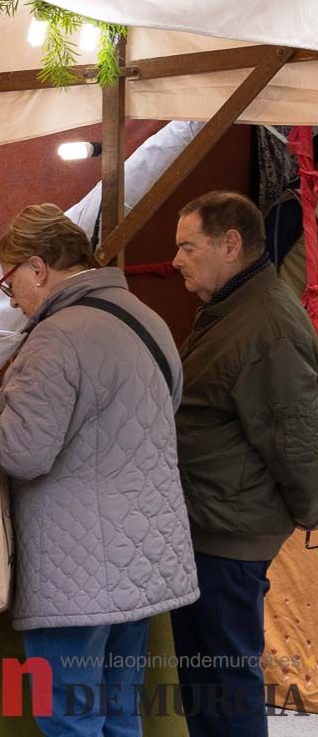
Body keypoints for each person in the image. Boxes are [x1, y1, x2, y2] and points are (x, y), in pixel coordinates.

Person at [0, 203, 199, 737]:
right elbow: (159, 411)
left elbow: (24, 451)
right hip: (144, 555)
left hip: (78, 569)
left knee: (71, 718)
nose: (8, 297)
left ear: (38, 268)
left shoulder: (55, 336)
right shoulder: (146, 318)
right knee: (119, 710)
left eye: (6, 281)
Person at [170, 190, 318, 737]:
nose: (176, 261)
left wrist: (308, 509)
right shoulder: (230, 310)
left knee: (225, 678)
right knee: (204, 678)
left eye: (188, 247)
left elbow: (295, 437)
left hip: (231, 533)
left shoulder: (266, 324)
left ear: (230, 245)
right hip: (210, 523)